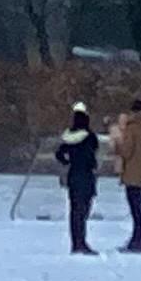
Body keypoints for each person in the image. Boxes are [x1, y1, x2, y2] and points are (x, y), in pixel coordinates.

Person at [53, 101, 102, 256]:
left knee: (75, 210)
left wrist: (67, 162)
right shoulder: (90, 137)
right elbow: (93, 152)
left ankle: (76, 242)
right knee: (84, 209)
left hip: (73, 175)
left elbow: (59, 153)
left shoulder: (68, 137)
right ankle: (82, 241)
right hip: (86, 175)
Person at [114, 100, 141, 252]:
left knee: (135, 210)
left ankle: (137, 241)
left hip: (132, 172)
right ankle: (138, 239)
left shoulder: (132, 129)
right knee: (138, 208)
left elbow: (126, 151)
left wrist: (118, 144)